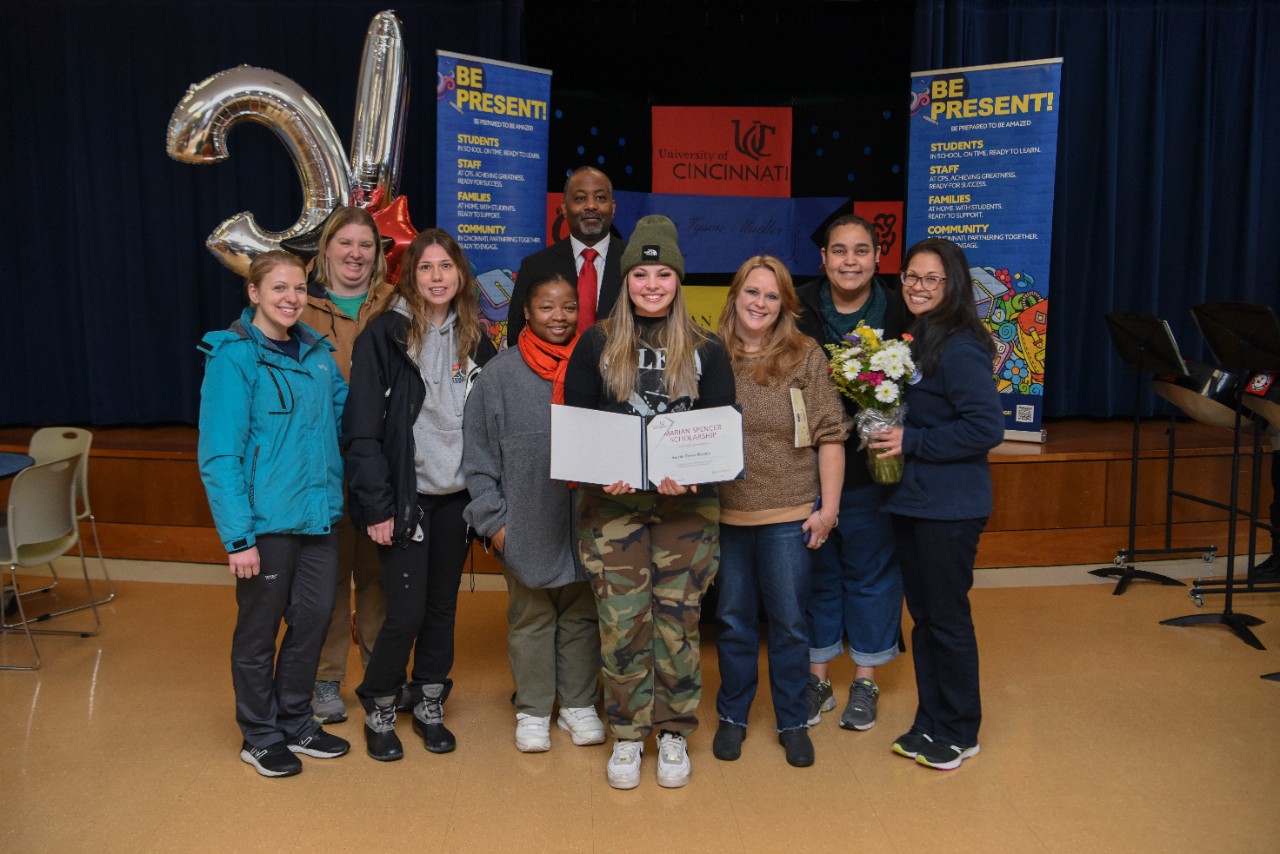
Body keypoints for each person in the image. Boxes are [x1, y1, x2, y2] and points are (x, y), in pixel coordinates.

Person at [564, 215, 735, 790]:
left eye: (664, 273)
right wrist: (597, 473)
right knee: (621, 624)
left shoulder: (708, 347)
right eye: (642, 273)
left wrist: (691, 476)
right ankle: (628, 735)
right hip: (613, 511)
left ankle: (673, 732)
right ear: (626, 277)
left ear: (678, 280)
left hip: (685, 511)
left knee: (678, 622)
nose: (653, 284)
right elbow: (581, 426)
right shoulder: (595, 343)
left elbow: (721, 430)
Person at [343, 228, 497, 761]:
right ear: (410, 277)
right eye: (426, 267)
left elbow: (493, 425)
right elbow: (362, 433)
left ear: (460, 276)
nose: (437, 276)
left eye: (446, 267)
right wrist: (377, 507)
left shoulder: (478, 338)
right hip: (405, 500)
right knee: (403, 614)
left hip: (457, 501)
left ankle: (430, 700)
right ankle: (380, 703)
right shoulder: (382, 337)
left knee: (440, 610)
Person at [197, 249, 351, 777]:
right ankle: (259, 735)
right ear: (254, 293)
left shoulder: (317, 354)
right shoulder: (233, 358)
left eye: (299, 289)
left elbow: (346, 419)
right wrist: (239, 539)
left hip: (319, 518)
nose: (291, 298)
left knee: (311, 624)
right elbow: (219, 455)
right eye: (280, 288)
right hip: (266, 525)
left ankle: (295, 720)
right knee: (259, 633)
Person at [869, 237, 1003, 770]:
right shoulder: (920, 337)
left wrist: (911, 442)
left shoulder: (960, 346)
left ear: (953, 286)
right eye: (910, 277)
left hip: (950, 509)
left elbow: (985, 427)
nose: (918, 287)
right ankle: (932, 720)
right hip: (916, 504)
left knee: (946, 620)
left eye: (931, 279)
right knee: (925, 619)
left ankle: (959, 730)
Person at [712, 256, 851, 768]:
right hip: (725, 514)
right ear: (735, 294)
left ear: (784, 303)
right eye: (752, 292)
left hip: (790, 514)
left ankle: (793, 720)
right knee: (732, 621)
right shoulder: (710, 353)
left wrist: (828, 510)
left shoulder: (804, 355)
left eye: (772, 295)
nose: (760, 303)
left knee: (790, 624)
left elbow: (831, 434)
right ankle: (733, 716)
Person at [463, 273, 605, 753]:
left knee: (582, 618)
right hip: (525, 525)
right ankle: (534, 709)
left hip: (585, 522)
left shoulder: (596, 369)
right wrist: (494, 523)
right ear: (526, 311)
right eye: (547, 307)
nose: (559, 317)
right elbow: (478, 457)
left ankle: (579, 705)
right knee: (532, 619)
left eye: (568, 308)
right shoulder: (499, 376)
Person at [795, 214, 910, 732]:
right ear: (823, 258)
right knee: (816, 574)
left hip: (877, 471)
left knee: (872, 573)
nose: (849, 261)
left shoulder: (906, 310)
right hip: (805, 468)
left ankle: (865, 679)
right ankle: (816, 676)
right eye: (839, 251)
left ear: (878, 258)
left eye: (860, 251)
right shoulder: (794, 308)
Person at [300, 206, 395, 726]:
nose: (356, 254)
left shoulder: (395, 306)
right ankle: (326, 679)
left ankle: (380, 676)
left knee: (379, 573)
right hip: (323, 466)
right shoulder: (301, 306)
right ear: (326, 250)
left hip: (380, 465)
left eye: (366, 245)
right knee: (329, 575)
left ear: (378, 255)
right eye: (346, 243)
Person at [507, 166, 625, 345]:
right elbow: (516, 337)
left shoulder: (635, 264)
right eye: (580, 198)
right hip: (549, 372)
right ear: (564, 208)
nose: (591, 205)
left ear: (613, 207)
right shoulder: (535, 267)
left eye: (600, 198)